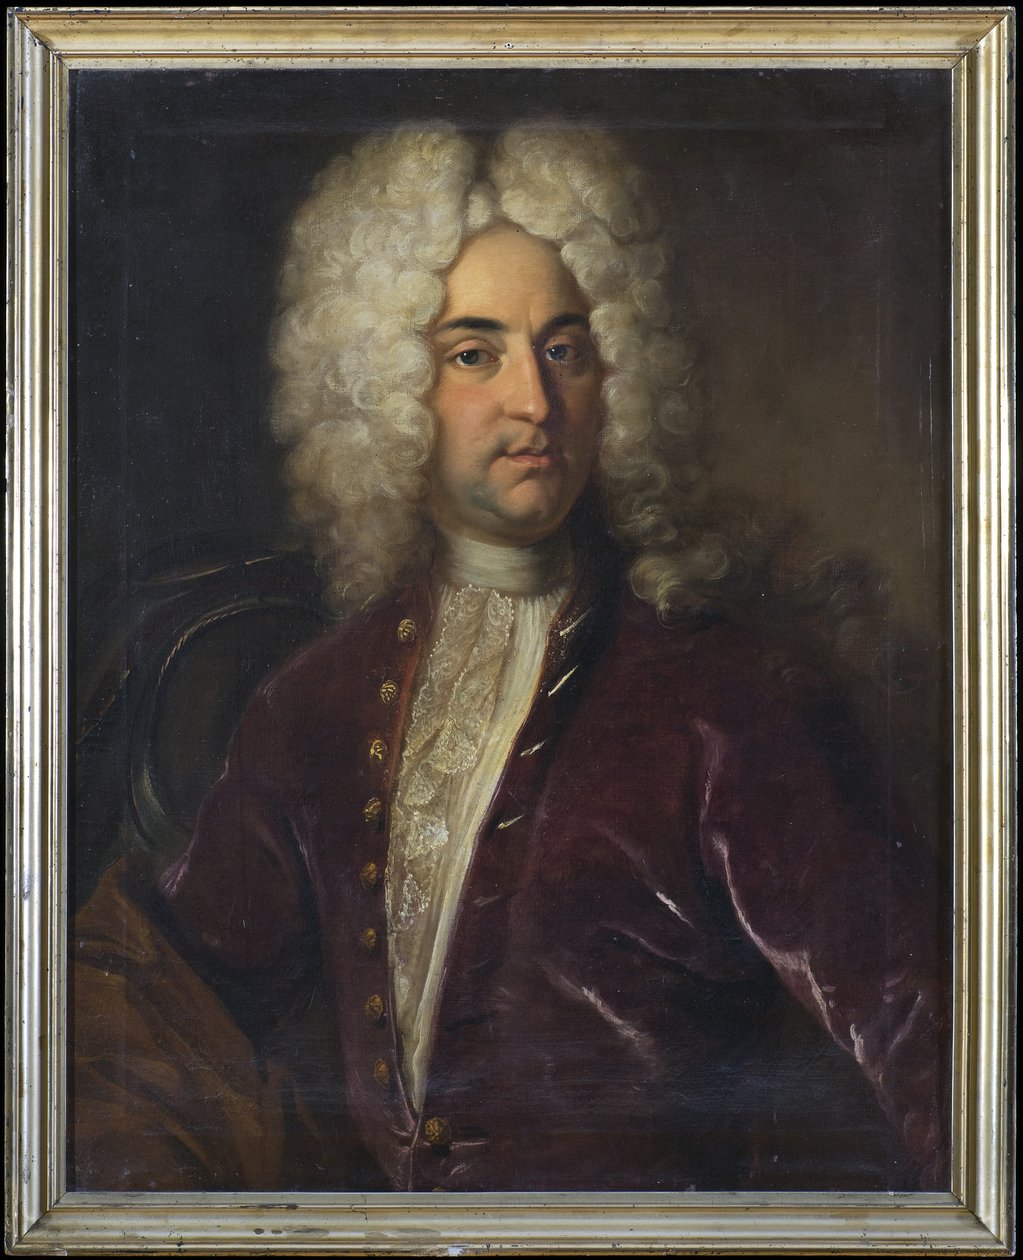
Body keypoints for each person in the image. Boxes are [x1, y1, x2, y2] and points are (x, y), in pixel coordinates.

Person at [72, 122, 949, 1194]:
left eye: (564, 347)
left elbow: (927, 1038)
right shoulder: (319, 700)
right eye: (474, 353)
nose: (535, 400)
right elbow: (165, 987)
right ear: (387, 385)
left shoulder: (729, 701)